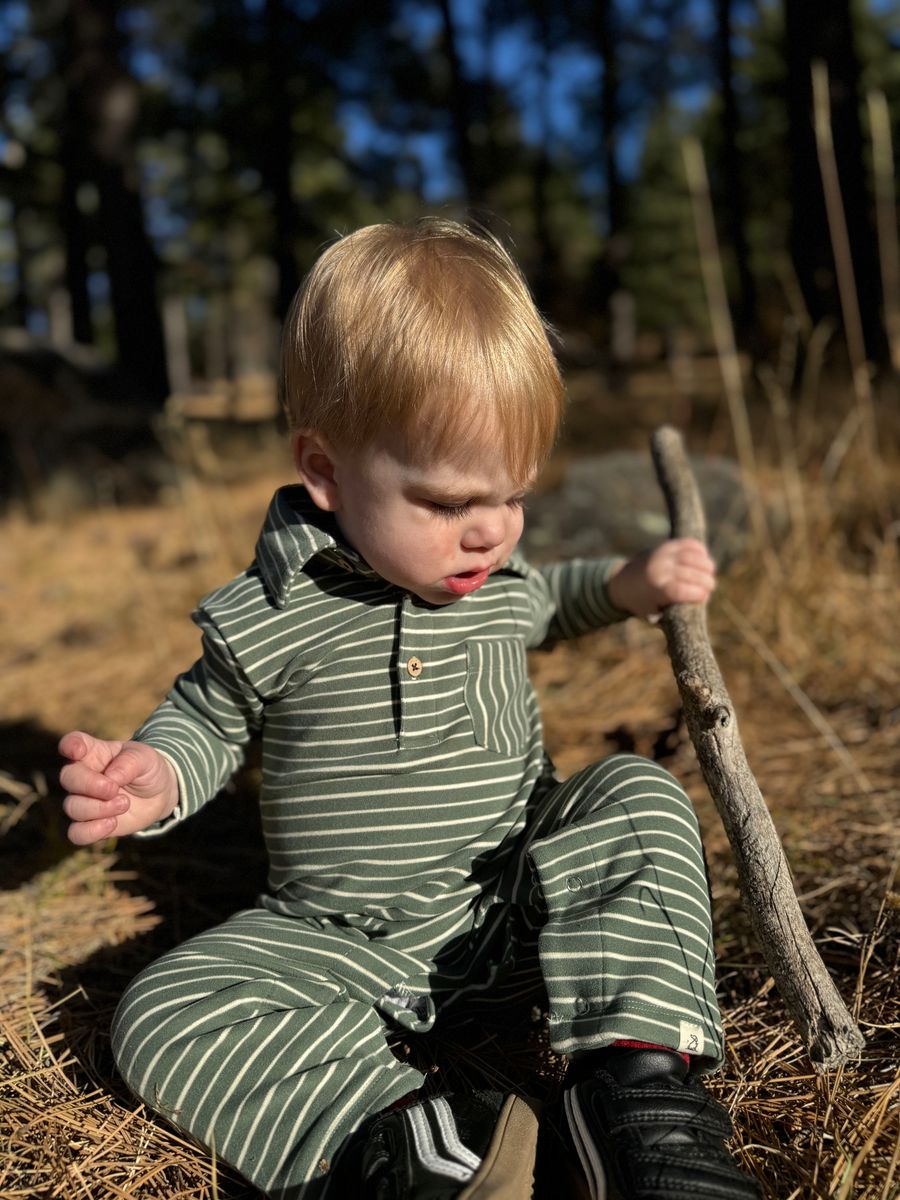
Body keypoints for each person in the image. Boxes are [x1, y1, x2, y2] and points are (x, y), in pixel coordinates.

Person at [59, 218, 759, 1200]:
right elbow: (208, 717)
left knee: (636, 798)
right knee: (165, 1008)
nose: (490, 531)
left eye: (511, 496)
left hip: (518, 904)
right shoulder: (274, 610)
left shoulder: (496, 574)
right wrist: (158, 773)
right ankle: (408, 1143)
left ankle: (637, 1099)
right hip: (335, 940)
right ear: (328, 471)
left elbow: (555, 597)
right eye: (444, 501)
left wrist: (631, 580)